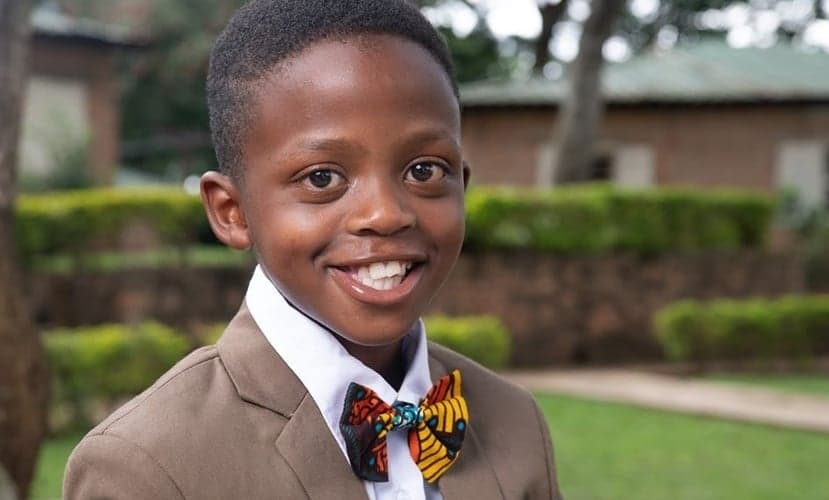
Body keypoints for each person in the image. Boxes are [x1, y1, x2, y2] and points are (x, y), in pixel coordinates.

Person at [63, 1, 560, 498]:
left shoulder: (515, 421)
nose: (385, 214)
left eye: (424, 171)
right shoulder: (146, 466)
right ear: (232, 211)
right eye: (322, 178)